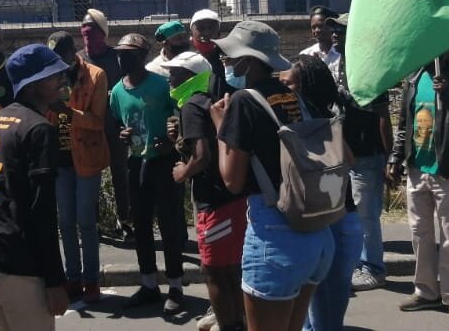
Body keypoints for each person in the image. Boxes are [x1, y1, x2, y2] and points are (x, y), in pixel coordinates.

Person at [213, 20, 324, 331]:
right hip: (313, 228)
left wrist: (220, 127)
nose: (228, 64)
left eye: (232, 58)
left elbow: (232, 181)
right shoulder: (294, 97)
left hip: (274, 231)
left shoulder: (243, 101)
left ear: (248, 61)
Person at [0, 43, 69, 330]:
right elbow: (42, 210)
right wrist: (55, 280)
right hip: (14, 265)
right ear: (32, 86)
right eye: (54, 75)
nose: (62, 80)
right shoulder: (38, 128)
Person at [387, 49, 449, 322]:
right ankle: (426, 291)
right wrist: (395, 157)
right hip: (417, 169)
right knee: (420, 233)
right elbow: (404, 124)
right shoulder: (413, 82)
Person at [165, 51, 245, 331]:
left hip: (213, 200)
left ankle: (227, 325)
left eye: (175, 73)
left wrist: (182, 172)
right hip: (233, 195)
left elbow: (201, 157)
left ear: (191, 76)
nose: (170, 79)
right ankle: (238, 322)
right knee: (231, 267)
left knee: (212, 270)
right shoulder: (215, 100)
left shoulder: (191, 106)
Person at [110, 33, 186, 314]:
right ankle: (149, 284)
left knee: (168, 225)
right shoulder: (117, 91)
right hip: (136, 162)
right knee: (141, 225)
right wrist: (123, 135)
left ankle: (176, 286)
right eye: (120, 53)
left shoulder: (160, 85)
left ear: (142, 57)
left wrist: (170, 137)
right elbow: (119, 122)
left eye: (128, 54)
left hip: (163, 161)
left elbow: (177, 115)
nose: (122, 58)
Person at [284, 56, 361, 331]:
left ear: (304, 87)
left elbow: (348, 159)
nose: (283, 84)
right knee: (317, 297)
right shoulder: (311, 116)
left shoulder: (321, 119)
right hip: (328, 215)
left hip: (337, 218)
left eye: (289, 81)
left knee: (327, 302)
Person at [318, 14, 393, 293]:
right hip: (345, 153)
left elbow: (384, 116)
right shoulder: (341, 64)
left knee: (365, 216)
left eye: (342, 29)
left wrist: (389, 157)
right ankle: (356, 265)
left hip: (366, 154)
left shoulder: (370, 68)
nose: (335, 33)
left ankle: (373, 268)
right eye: (334, 29)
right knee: (347, 214)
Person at [46, 31, 109, 304]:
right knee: (65, 223)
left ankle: (91, 281)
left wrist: (68, 112)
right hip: (59, 159)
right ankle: (72, 278)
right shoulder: (48, 75)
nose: (57, 63)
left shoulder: (96, 75)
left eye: (60, 57)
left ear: (73, 52)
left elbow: (97, 122)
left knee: (85, 221)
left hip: (85, 156)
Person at [77, 8, 132, 241]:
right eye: (84, 27)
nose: (87, 31)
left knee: (121, 175)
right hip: (88, 129)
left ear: (104, 33)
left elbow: (128, 89)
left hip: (114, 127)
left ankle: (125, 222)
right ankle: (93, 223)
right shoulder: (79, 59)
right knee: (91, 178)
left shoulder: (117, 59)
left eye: (93, 27)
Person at [189, 9, 232, 103]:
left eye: (211, 28)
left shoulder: (231, 61)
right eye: (200, 28)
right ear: (191, 33)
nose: (207, 33)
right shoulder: (187, 64)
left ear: (219, 33)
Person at [298, 7, 341, 71]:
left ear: (331, 26)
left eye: (321, 26)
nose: (317, 30)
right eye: (313, 27)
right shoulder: (306, 55)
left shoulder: (341, 54)